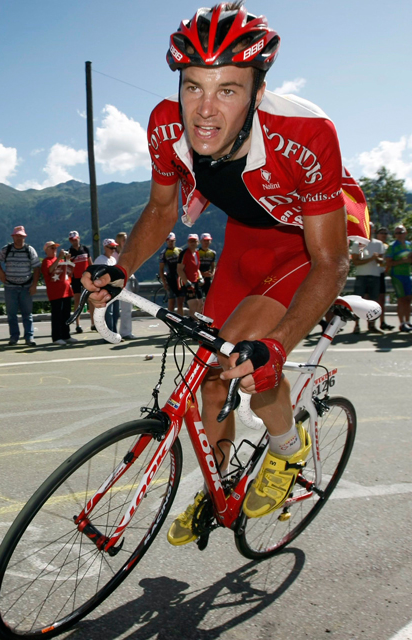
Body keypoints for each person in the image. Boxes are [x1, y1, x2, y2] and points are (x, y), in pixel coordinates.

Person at [82, 3, 369, 546]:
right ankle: (221, 484)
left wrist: (277, 346)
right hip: (245, 236)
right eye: (193, 86)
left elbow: (331, 261)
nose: (205, 110)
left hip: (307, 242)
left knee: (250, 362)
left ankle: (288, 449)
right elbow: (162, 210)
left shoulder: (306, 132)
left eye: (228, 90)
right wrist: (120, 268)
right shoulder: (165, 125)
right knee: (208, 384)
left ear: (258, 92)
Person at [0, 226, 41, 346]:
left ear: (25, 237)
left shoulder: (30, 250)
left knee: (27, 313)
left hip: (26, 286)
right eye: (17, 236)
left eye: (21, 236)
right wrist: (1, 272)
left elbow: (37, 268)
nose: (19, 238)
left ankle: (29, 337)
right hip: (10, 286)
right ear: (13, 237)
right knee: (11, 314)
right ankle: (14, 337)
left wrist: (34, 285)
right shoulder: (7, 249)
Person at [351, 222, 385, 334]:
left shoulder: (378, 244)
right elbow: (356, 262)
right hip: (361, 276)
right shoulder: (357, 243)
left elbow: (381, 261)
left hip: (375, 276)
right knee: (358, 302)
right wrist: (371, 259)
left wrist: (378, 259)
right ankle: (356, 325)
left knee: (373, 302)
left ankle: (372, 325)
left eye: (370, 228)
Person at [41, 241, 78, 345]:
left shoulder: (61, 260)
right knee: (57, 315)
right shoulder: (46, 261)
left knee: (66, 315)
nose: (55, 250)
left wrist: (67, 260)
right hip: (55, 292)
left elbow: (69, 271)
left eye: (55, 248)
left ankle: (66, 335)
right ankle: (56, 337)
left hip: (66, 290)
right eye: (52, 248)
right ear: (46, 250)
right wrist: (59, 258)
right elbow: (50, 270)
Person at [385, 225, 412, 333]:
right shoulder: (392, 246)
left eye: (401, 232)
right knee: (401, 299)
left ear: (405, 233)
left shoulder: (409, 245)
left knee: (408, 299)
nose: (399, 235)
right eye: (397, 233)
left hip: (407, 274)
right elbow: (388, 263)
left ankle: (408, 321)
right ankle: (402, 323)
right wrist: (403, 261)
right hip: (397, 275)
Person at [93, 239, 120, 334]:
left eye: (114, 248)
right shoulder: (100, 260)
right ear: (105, 247)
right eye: (111, 248)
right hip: (106, 290)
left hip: (115, 289)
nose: (113, 250)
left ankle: (114, 333)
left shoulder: (113, 259)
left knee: (116, 313)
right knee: (108, 313)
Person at [114, 232, 138, 339]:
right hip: (118, 284)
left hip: (127, 282)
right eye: (124, 240)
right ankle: (112, 331)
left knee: (127, 309)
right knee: (114, 310)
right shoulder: (114, 254)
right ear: (119, 242)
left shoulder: (127, 253)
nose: (126, 242)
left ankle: (126, 332)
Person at [67, 231, 91, 334]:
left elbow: (90, 263)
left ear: (79, 238)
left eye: (75, 239)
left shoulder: (85, 249)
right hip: (76, 279)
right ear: (70, 240)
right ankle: (77, 324)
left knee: (91, 300)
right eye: (72, 240)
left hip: (86, 278)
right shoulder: (69, 252)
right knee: (77, 302)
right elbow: (67, 267)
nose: (74, 241)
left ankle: (93, 324)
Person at [177, 234, 204, 318]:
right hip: (187, 282)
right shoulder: (184, 253)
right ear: (188, 242)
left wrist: (200, 277)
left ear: (198, 242)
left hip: (196, 281)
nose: (192, 243)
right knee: (193, 304)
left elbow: (197, 268)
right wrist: (187, 282)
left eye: (194, 241)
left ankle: (197, 321)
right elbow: (179, 269)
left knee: (200, 304)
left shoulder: (197, 253)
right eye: (190, 241)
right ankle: (193, 322)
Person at [158, 232, 184, 315]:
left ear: (175, 240)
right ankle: (170, 321)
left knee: (180, 303)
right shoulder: (163, 253)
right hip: (170, 279)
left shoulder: (180, 251)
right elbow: (161, 269)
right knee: (171, 303)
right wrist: (164, 283)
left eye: (172, 241)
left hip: (179, 279)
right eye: (169, 241)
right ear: (166, 241)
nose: (170, 242)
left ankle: (181, 321)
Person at [375, 227, 394, 331]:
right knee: (370, 299)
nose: (384, 235)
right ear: (377, 234)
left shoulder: (388, 247)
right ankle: (370, 324)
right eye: (381, 233)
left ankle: (382, 322)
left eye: (385, 233)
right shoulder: (373, 244)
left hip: (382, 274)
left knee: (382, 299)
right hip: (373, 274)